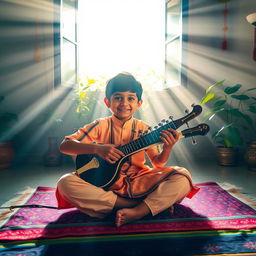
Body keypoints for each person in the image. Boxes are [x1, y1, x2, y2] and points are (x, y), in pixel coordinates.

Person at [56, 72, 199, 227]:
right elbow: (65, 145)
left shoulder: (143, 129)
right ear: (107, 102)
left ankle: (136, 212)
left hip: (140, 180)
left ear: (139, 103)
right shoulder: (100, 125)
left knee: (183, 177)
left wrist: (167, 148)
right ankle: (140, 205)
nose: (124, 103)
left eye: (131, 98)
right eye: (118, 97)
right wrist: (97, 149)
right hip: (105, 183)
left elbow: (158, 163)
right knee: (65, 182)